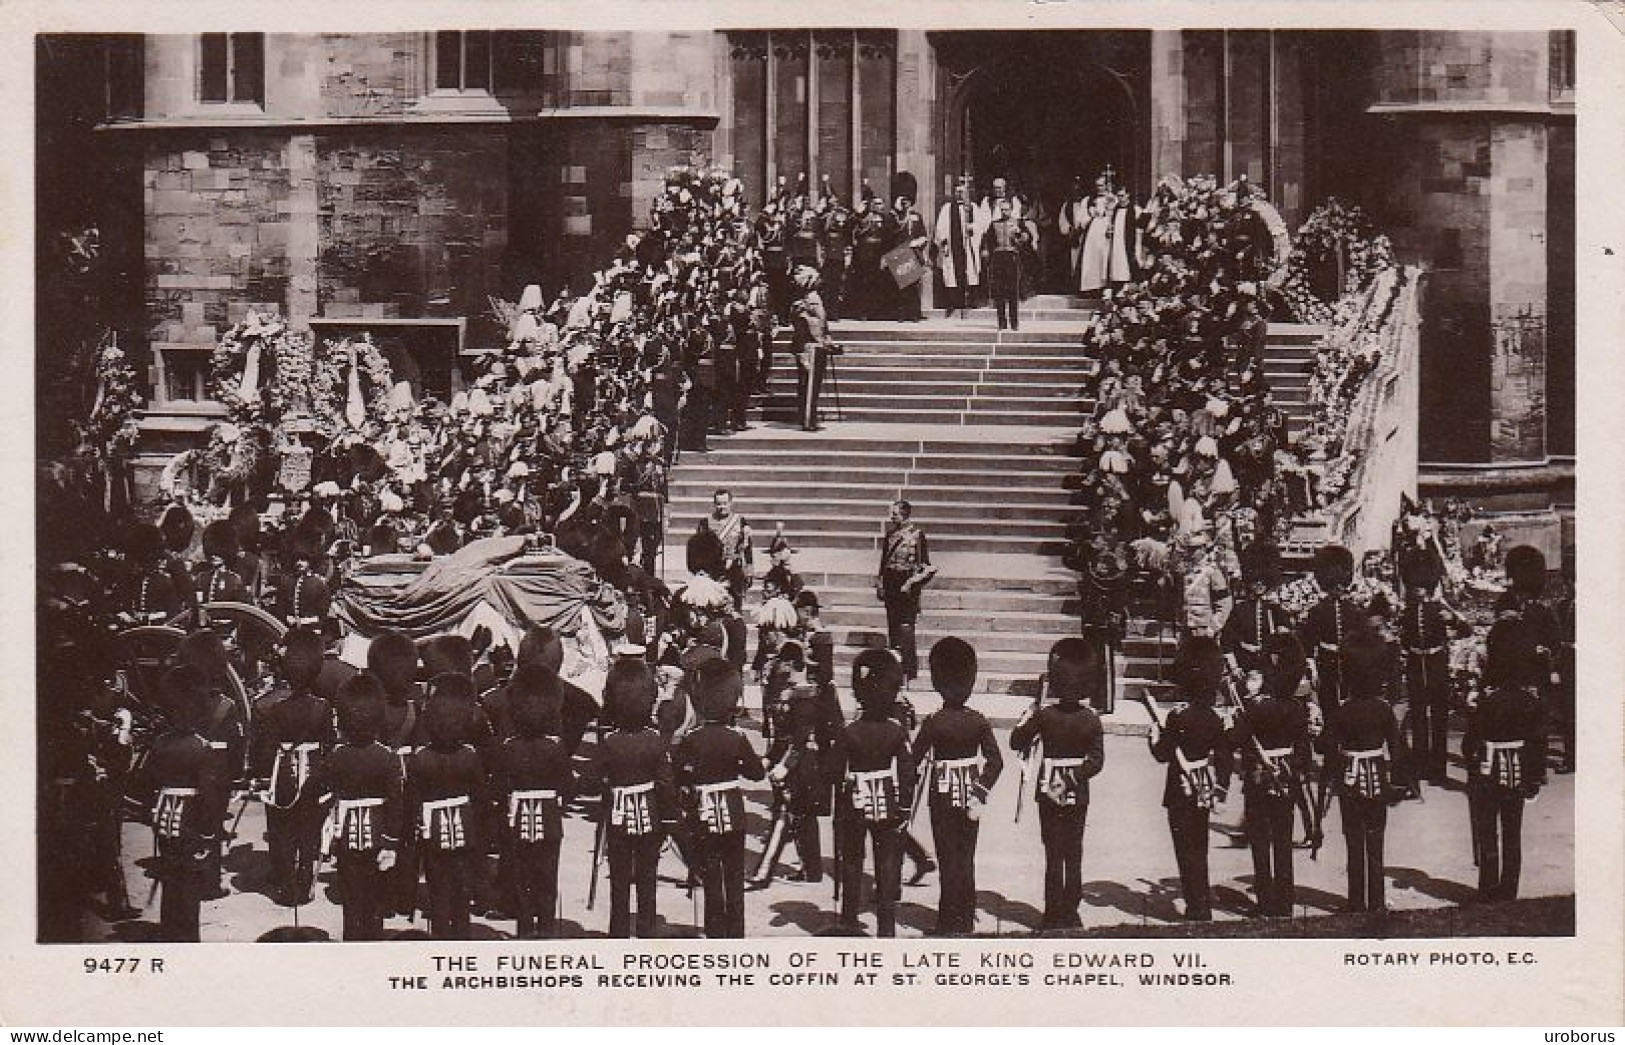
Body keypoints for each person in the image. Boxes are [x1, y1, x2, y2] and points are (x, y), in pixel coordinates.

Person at [1009, 637, 1107, 930]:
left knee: (1053, 853)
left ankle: (1053, 911)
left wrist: (1026, 718)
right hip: (1077, 791)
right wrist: (1074, 777)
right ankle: (1071, 910)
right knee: (1073, 852)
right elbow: (1097, 761)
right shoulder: (1091, 719)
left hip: (1048, 789)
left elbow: (1017, 742)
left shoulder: (1045, 715)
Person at [912, 638, 1003, 935]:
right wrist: (980, 792)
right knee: (966, 858)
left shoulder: (934, 723)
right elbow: (996, 762)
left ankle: (947, 919)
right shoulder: (978, 721)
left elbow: (912, 759)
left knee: (947, 858)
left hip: (941, 796)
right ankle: (965, 916)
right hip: (970, 796)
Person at [1319, 629, 1410, 914]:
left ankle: (1356, 900)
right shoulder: (1383, 709)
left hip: (1349, 778)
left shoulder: (1342, 710)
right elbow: (1397, 748)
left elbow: (1325, 746)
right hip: (1376, 776)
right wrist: (1399, 782)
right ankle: (1377, 900)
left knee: (1354, 839)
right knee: (1376, 839)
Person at [673, 658, 765, 938]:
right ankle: (736, 932)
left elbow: (681, 777)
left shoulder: (692, 738)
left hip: (704, 815)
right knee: (734, 877)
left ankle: (715, 932)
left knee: (712, 877)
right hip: (733, 813)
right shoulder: (736, 737)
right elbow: (757, 773)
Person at [832, 650, 918, 937]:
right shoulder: (895, 732)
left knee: (853, 862)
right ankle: (886, 926)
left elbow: (833, 772)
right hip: (886, 801)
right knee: (886, 865)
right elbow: (907, 774)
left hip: (854, 801)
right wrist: (905, 808)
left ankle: (848, 917)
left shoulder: (849, 731)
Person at [138, 666, 226, 942]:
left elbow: (145, 782)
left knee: (170, 879)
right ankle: (187, 939)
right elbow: (208, 797)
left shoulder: (160, 743)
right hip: (190, 821)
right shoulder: (201, 747)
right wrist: (210, 833)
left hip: (164, 819)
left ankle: (169, 931)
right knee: (189, 886)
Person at [1147, 637, 1232, 921]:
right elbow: (1224, 757)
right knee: (1200, 846)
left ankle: (1196, 907)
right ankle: (1202, 903)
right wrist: (1221, 790)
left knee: (1186, 851)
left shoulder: (1177, 716)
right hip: (1204, 788)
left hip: (1180, 790)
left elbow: (1162, 754)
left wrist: (1154, 736)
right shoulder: (1215, 718)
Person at [314, 673, 404, 942]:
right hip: (378, 835)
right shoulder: (387, 757)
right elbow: (395, 802)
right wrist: (391, 842)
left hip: (347, 836)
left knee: (351, 900)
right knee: (375, 899)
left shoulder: (337, 756)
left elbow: (317, 790)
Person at [1463, 619, 1548, 902]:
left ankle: (1488, 889)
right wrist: (1534, 778)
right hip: (1517, 771)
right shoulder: (1529, 700)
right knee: (1513, 833)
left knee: (1488, 832)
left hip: (1489, 771)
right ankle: (1509, 889)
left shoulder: (1486, 700)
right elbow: (1537, 743)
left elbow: (1469, 744)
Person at [1225, 644, 1311, 917]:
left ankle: (1265, 902)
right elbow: (1304, 753)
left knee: (1261, 841)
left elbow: (1233, 741)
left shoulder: (1255, 707)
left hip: (1259, 778)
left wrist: (1233, 722)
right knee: (1283, 841)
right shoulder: (1297, 708)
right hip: (1286, 776)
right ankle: (1285, 904)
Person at [490, 664, 574, 938]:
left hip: (518, 818)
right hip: (549, 818)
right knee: (547, 879)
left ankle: (525, 932)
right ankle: (547, 931)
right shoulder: (555, 746)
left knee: (523, 880)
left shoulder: (509, 747)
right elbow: (568, 787)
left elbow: (498, 787)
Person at [254, 627, 335, 908]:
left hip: (284, 771)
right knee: (309, 831)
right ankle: (304, 885)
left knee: (285, 830)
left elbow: (269, 747)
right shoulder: (323, 707)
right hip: (312, 770)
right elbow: (329, 744)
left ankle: (287, 888)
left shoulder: (277, 708)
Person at [595, 659, 674, 939]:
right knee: (647, 877)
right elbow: (665, 784)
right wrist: (668, 820)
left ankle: (617, 931)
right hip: (649, 816)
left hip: (618, 817)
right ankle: (646, 929)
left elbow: (596, 779)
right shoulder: (655, 739)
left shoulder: (610, 741)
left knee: (619, 878)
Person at [406, 674, 488, 939]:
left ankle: (441, 936)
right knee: (461, 890)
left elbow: (413, 800)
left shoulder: (421, 759)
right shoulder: (469, 757)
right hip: (464, 827)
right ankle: (462, 935)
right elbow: (480, 798)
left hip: (433, 831)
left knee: (438, 890)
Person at [751, 641, 838, 887]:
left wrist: (784, 765)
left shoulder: (804, 696)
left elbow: (800, 739)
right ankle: (812, 869)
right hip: (799, 760)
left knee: (783, 816)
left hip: (802, 764)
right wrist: (770, 757)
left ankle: (763, 873)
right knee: (804, 818)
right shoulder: (799, 693)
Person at [1399, 553, 1470, 784]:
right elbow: (1403, 638)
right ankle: (1421, 765)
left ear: (1427, 587)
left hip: (1436, 664)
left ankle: (1438, 769)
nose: (1416, 591)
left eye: (1420, 587)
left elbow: (1466, 629)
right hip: (1415, 666)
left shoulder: (1440, 607)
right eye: (1414, 587)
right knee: (1418, 717)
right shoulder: (1408, 610)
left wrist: (1452, 621)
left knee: (1439, 719)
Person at [877, 499, 934, 682]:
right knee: (892, 625)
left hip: (907, 584)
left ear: (904, 514)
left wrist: (913, 583)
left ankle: (909, 669)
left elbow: (924, 563)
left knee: (906, 627)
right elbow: (883, 561)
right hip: (891, 583)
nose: (891, 517)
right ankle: (894, 664)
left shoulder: (917, 536)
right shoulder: (890, 535)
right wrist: (879, 582)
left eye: (895, 513)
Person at [1299, 544, 1360, 714]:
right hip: (1326, 663)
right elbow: (1309, 642)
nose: (1339, 588)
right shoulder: (1317, 610)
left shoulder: (1354, 610)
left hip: (1351, 664)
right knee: (1329, 707)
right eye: (1335, 584)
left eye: (1342, 583)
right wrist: (1312, 668)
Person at [788, 266, 840, 433]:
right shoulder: (801, 308)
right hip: (808, 349)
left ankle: (810, 416)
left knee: (814, 385)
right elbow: (801, 333)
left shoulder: (815, 301)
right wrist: (802, 354)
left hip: (818, 348)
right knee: (807, 386)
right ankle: (807, 419)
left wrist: (828, 340)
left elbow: (823, 325)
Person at [933, 179, 982, 318]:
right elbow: (940, 227)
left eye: (962, 192)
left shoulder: (973, 207)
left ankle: (970, 300)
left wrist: (972, 228)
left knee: (970, 271)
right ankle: (954, 302)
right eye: (957, 192)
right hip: (953, 247)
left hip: (968, 246)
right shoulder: (947, 208)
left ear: (967, 193)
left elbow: (981, 226)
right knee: (952, 274)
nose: (960, 195)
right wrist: (943, 240)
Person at [981, 197, 1030, 331]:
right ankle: (1002, 323)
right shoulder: (994, 224)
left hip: (1012, 257)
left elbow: (1027, 238)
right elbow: (988, 241)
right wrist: (985, 251)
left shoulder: (1017, 223)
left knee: (1013, 291)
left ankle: (1014, 323)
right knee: (999, 292)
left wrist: (1020, 235)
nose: (1004, 212)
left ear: (1011, 210)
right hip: (998, 258)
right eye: (1002, 210)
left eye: (1006, 209)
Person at [700, 489, 754, 611]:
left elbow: (748, 547)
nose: (721, 507)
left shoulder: (740, 521)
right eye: (718, 504)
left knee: (735, 607)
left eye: (725, 503)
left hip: (734, 571)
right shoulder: (705, 522)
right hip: (713, 570)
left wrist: (749, 570)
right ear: (714, 504)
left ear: (730, 503)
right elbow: (699, 548)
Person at [893, 195, 928, 322]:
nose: (905, 204)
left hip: (913, 252)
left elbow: (923, 235)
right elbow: (892, 231)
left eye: (907, 201)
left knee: (914, 284)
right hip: (901, 252)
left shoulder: (917, 216)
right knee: (902, 285)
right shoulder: (896, 217)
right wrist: (898, 211)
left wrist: (918, 243)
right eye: (903, 202)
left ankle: (914, 313)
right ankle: (902, 313)